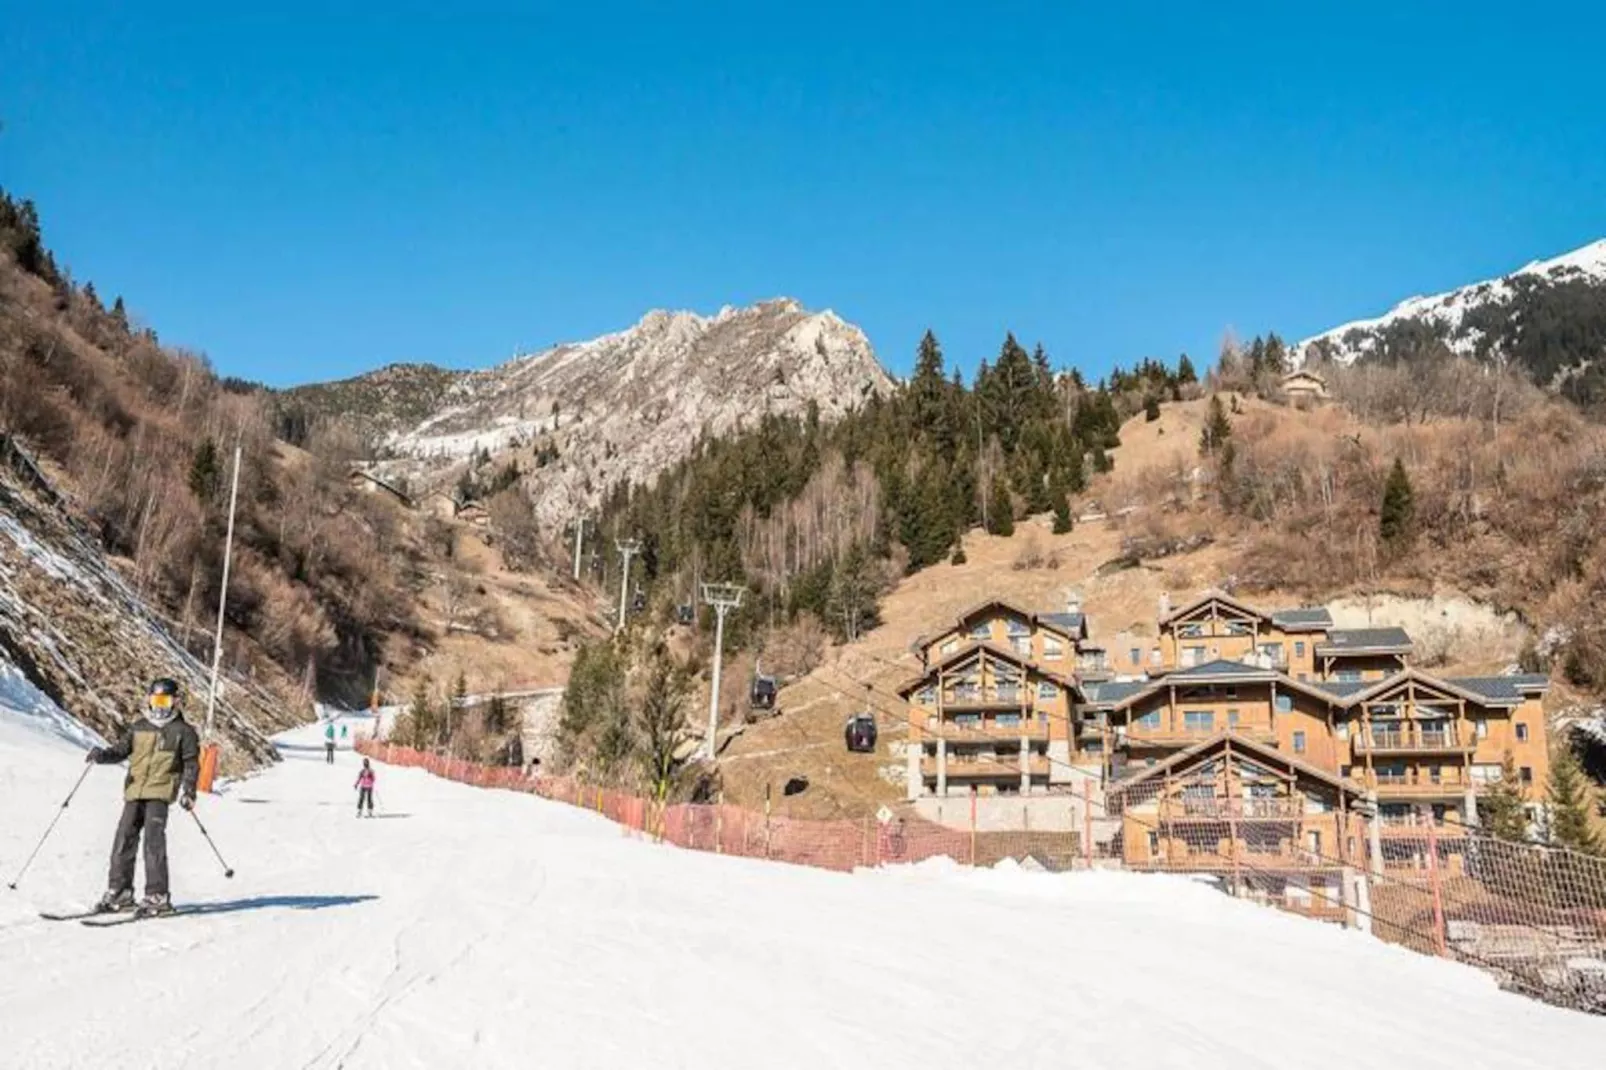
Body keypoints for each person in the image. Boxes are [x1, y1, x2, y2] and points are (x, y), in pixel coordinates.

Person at [87, 677, 200, 916]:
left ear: (175, 702)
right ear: (148, 699)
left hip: (160, 791)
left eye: (165, 700)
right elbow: (119, 751)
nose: (160, 705)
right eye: (156, 699)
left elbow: (191, 763)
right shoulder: (139, 726)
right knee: (123, 839)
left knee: (153, 842)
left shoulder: (183, 731)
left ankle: (157, 896)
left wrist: (189, 792)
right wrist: (101, 756)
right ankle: (120, 892)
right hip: (135, 790)